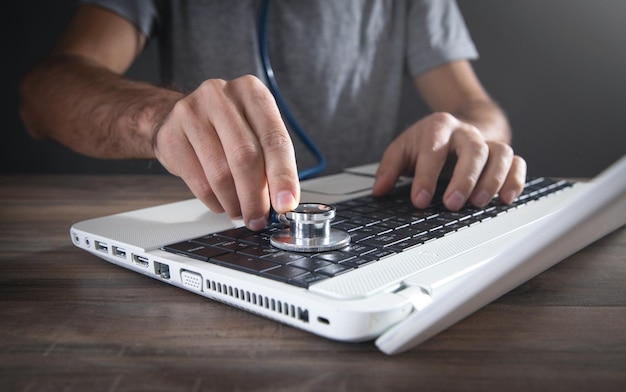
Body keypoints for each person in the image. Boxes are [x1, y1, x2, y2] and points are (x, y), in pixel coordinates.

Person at [19, 0, 526, 231]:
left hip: (381, 220)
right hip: (221, 228)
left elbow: (475, 108)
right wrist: (157, 117)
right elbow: (43, 94)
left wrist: (467, 135)